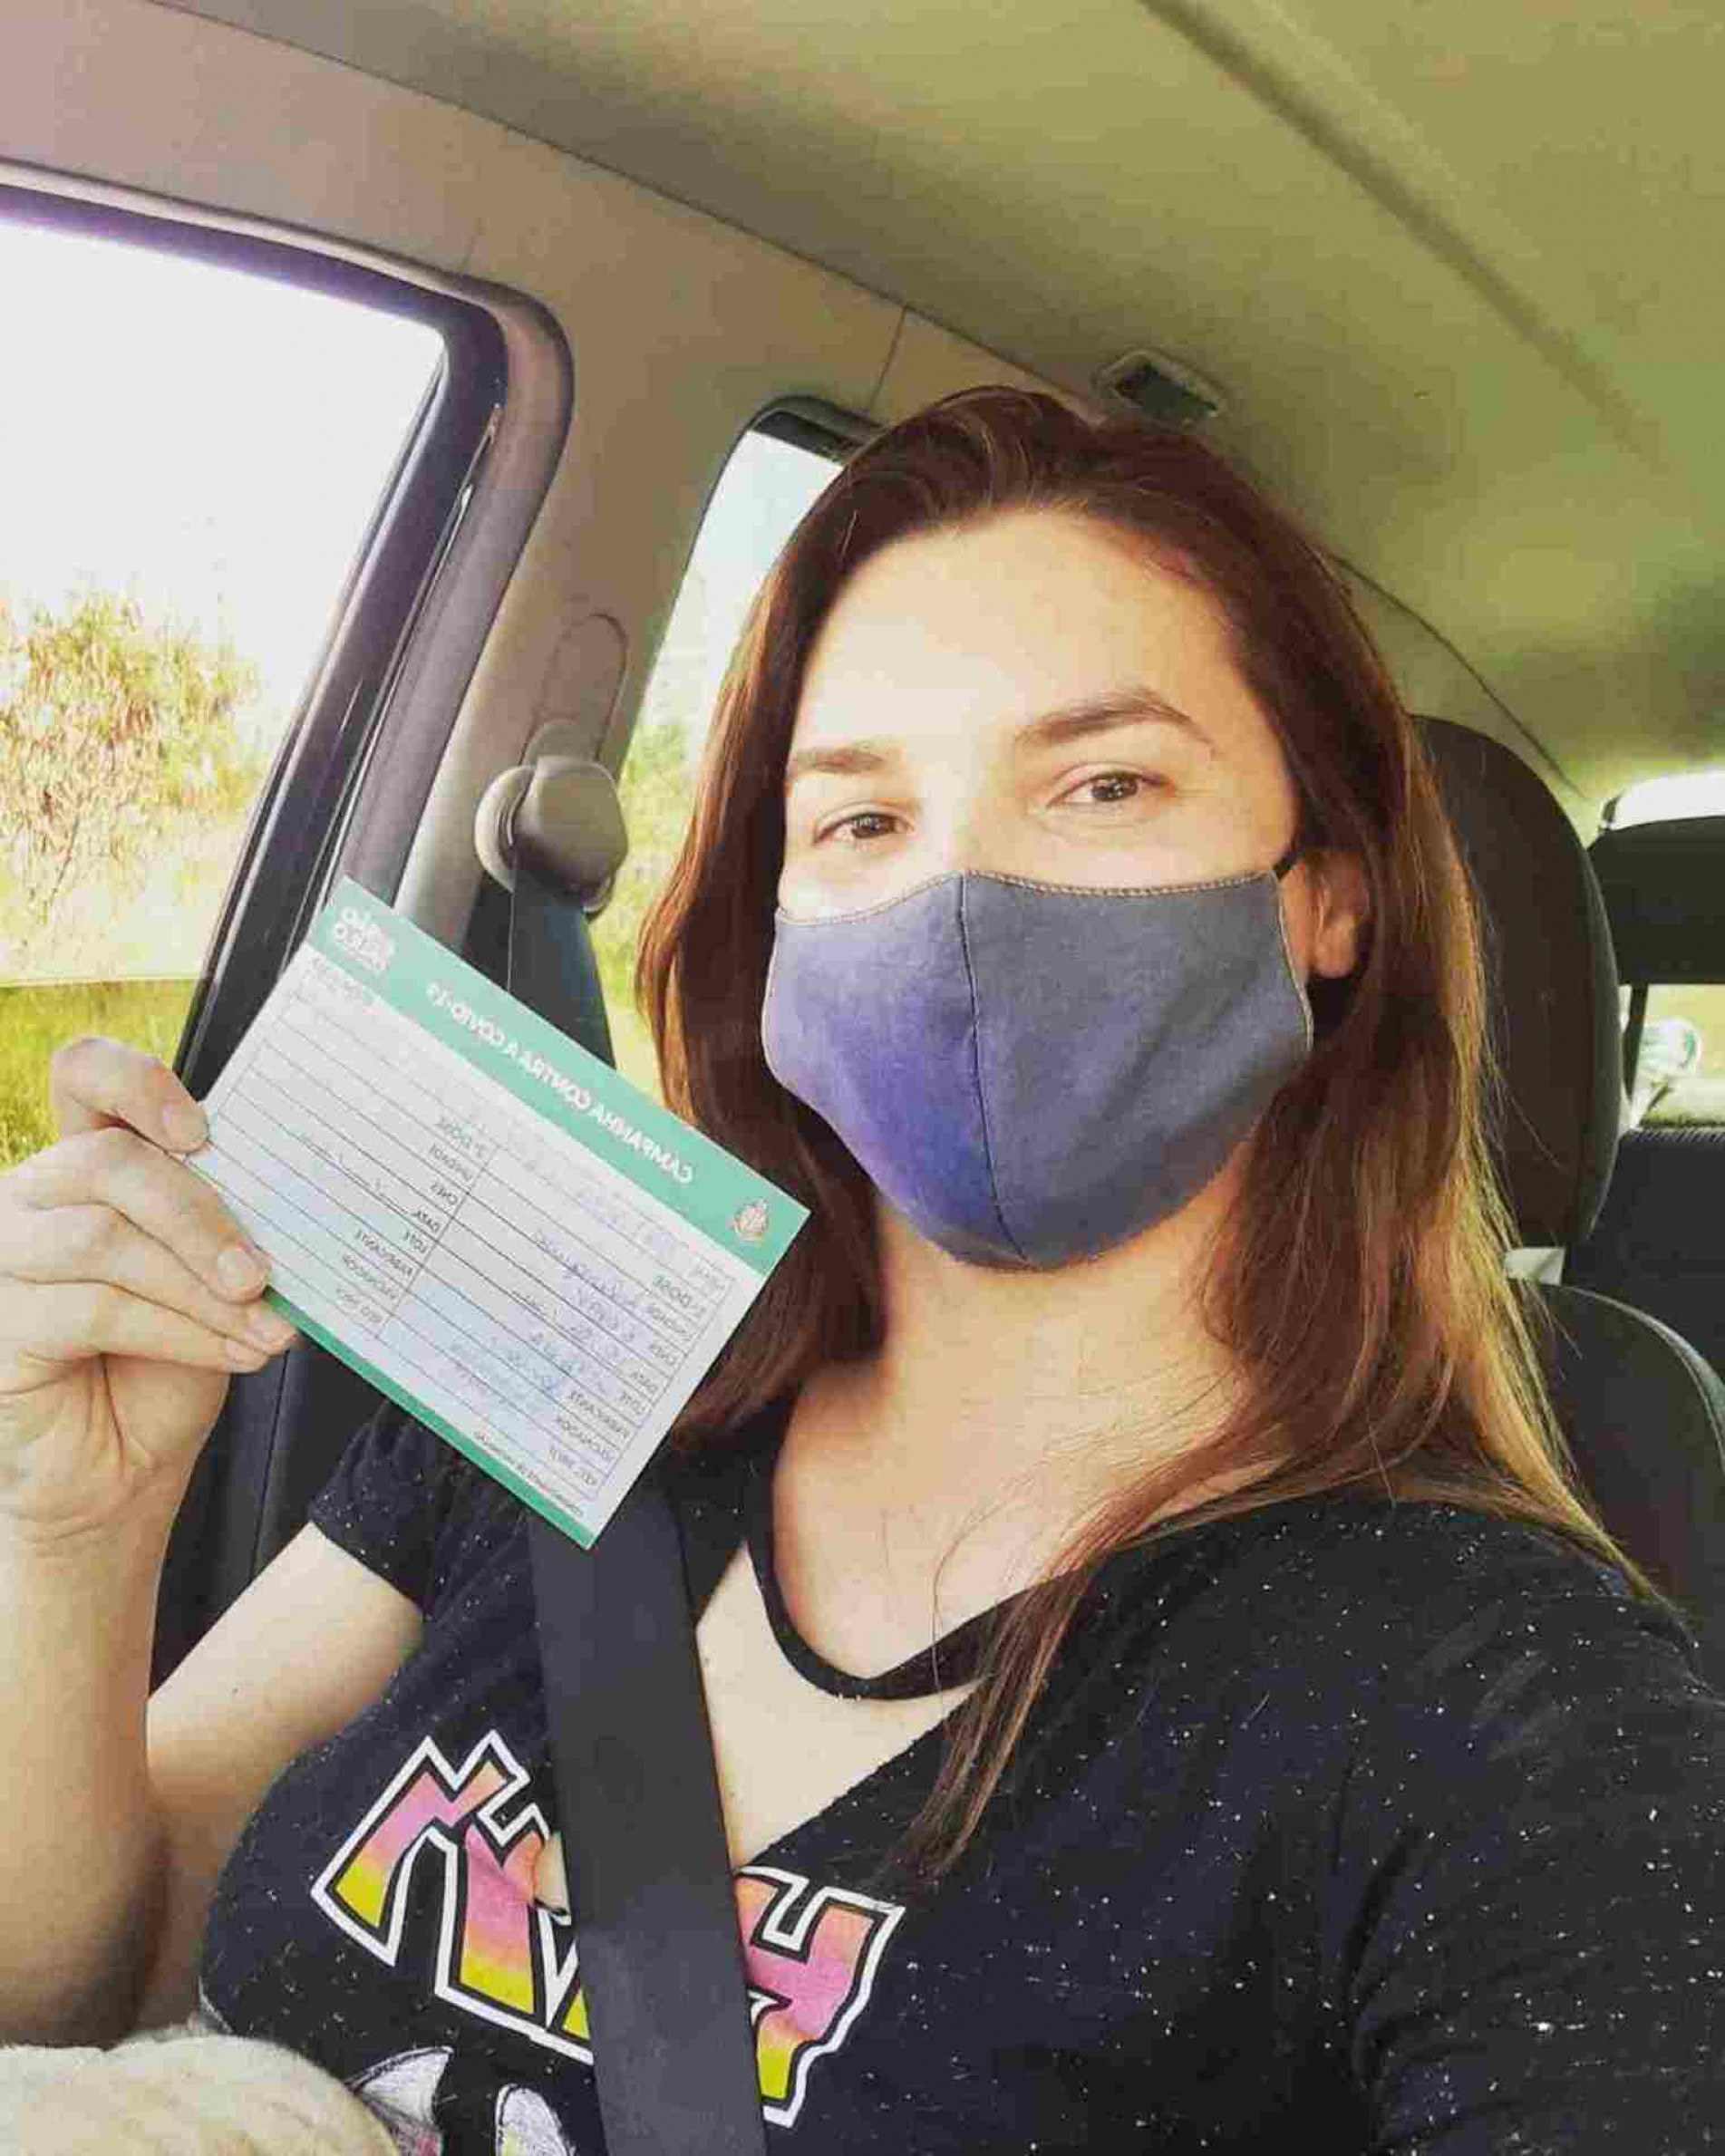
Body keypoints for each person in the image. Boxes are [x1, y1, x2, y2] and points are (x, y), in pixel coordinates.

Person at [2, 384, 1721, 2153]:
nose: (961, 899)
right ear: (771, 924)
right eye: (860, 822)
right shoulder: (573, 1375)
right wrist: (71, 1520)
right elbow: (83, 1977)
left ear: (1327, 899)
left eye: (1104, 783)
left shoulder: (1498, 1704)